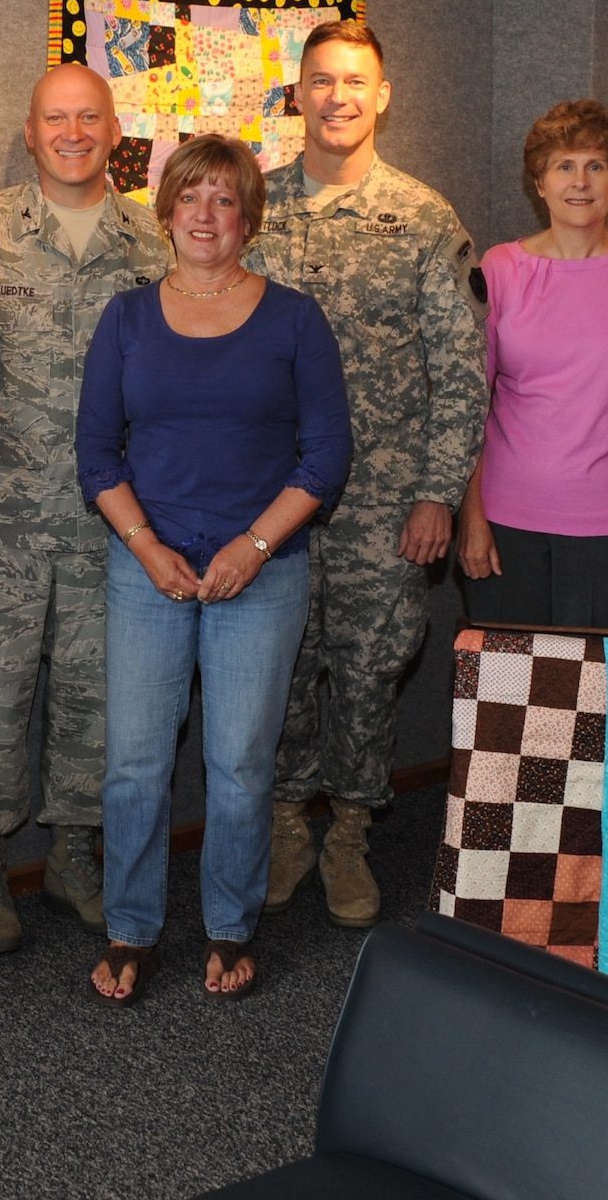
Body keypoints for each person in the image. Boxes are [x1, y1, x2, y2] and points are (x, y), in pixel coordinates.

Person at [76, 134, 353, 1005]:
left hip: (261, 571)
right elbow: (94, 453)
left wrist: (253, 546)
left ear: (248, 218)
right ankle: (132, 926)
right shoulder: (125, 317)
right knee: (134, 763)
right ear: (165, 212)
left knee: (239, 764)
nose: (205, 214)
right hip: (148, 567)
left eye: (224, 199)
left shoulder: (295, 318)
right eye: (190, 196)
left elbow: (326, 456)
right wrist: (149, 548)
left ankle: (230, 925)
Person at [247, 19, 486, 929]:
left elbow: (460, 370)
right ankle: (284, 822)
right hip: (267, 496)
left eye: (355, 81)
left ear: (382, 96)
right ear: (296, 93)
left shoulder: (423, 217)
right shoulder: (253, 206)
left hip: (386, 499)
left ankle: (348, 831)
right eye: (321, 80)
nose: (338, 96)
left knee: (367, 668)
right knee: (276, 665)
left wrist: (438, 493)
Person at [0, 65, 169, 951]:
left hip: (114, 522)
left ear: (116, 131)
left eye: (89, 117)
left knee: (96, 700)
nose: (72, 132)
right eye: (54, 118)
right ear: (28, 131)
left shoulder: (154, 240)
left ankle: (75, 855)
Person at [458, 99, 608, 630]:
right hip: (503, 525)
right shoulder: (500, 268)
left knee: (595, 703)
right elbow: (468, 403)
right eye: (564, 166)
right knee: (506, 703)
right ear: (539, 183)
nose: (580, 181)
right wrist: (468, 518)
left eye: (596, 165)